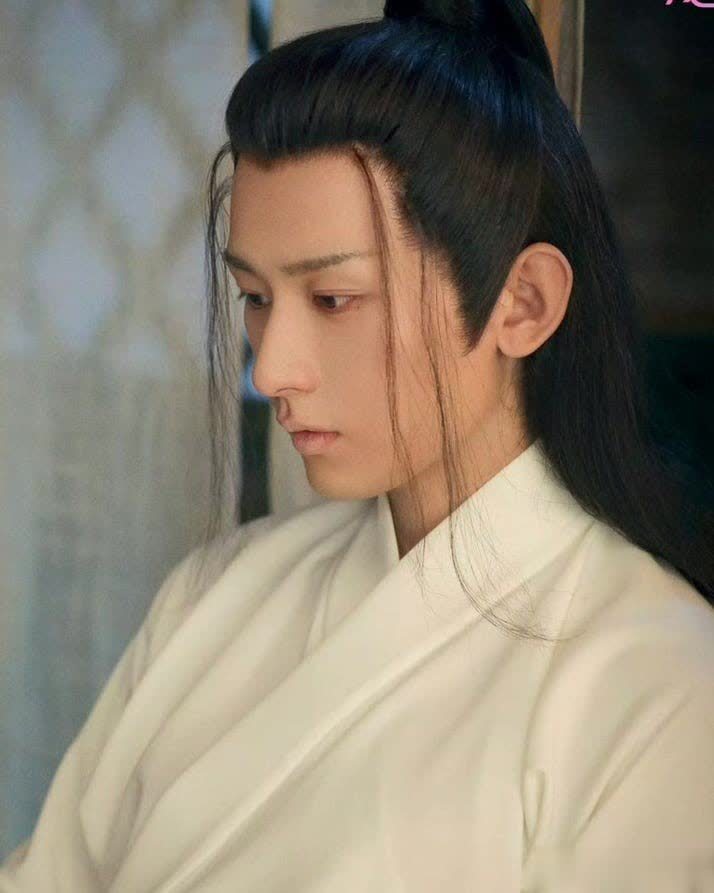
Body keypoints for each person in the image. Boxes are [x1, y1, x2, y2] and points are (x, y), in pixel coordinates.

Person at [3, 0, 713, 890]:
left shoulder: (657, 685)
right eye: (257, 298)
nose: (272, 366)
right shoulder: (216, 592)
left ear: (523, 302)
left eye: (333, 299)